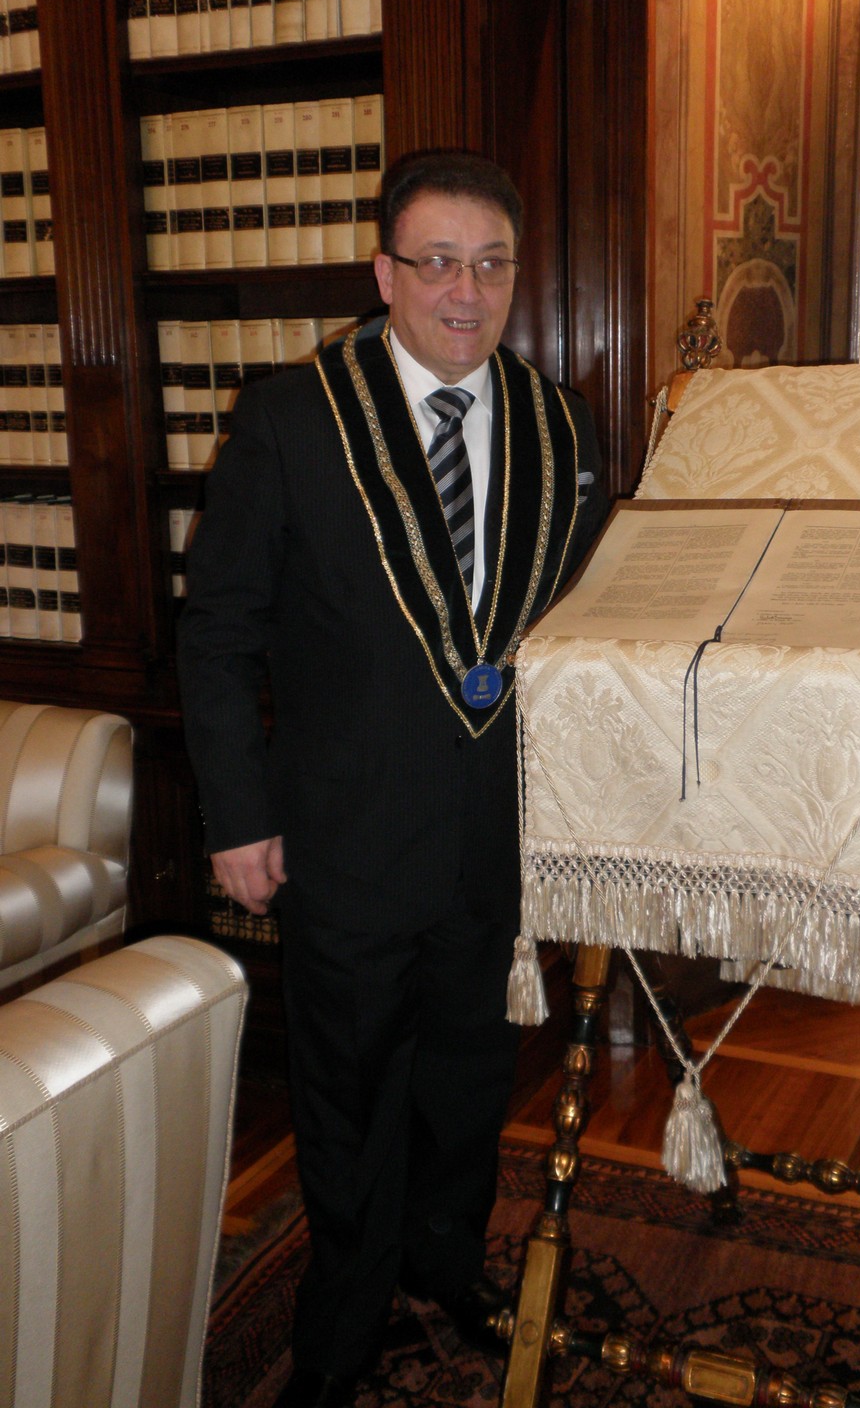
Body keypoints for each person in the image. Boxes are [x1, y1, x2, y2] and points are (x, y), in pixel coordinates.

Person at [177, 149, 606, 1408]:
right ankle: (343, 1317)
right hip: (342, 832)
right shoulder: (293, 417)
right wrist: (238, 816)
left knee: (471, 1076)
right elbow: (218, 633)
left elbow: (585, 626)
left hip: (494, 833)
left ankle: (444, 1262)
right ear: (386, 272)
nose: (465, 293)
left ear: (516, 275)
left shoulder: (559, 423)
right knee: (351, 1090)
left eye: (491, 265)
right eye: (437, 263)